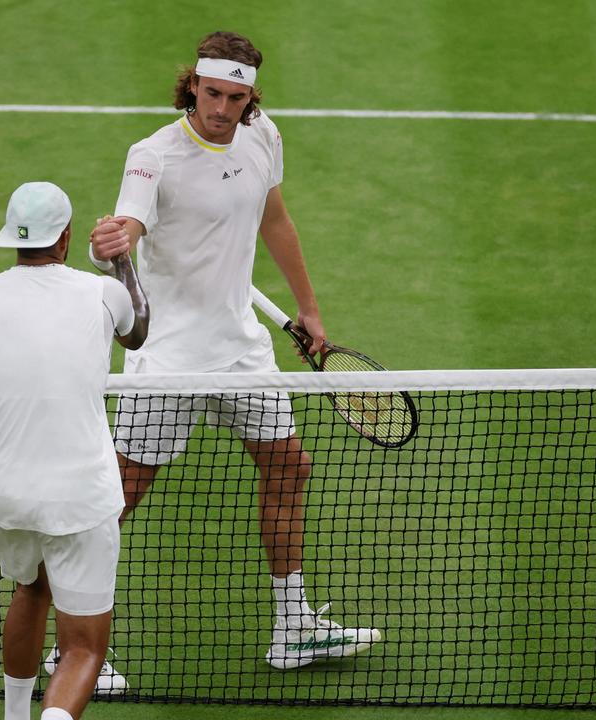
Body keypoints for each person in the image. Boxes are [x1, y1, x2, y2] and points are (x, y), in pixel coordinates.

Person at [53, 30, 382, 686]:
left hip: (242, 350)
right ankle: (65, 645)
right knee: (116, 497)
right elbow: (127, 230)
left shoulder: (263, 137)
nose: (222, 109)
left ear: (250, 94)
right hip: (168, 361)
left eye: (236, 97)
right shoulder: (153, 157)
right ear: (192, 87)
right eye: (211, 94)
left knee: (289, 467)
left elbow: (275, 220)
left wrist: (309, 309)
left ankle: (293, 628)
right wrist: (110, 241)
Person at [0, 181, 149, 720]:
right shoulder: (103, 294)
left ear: (12, 237)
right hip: (81, 499)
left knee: (31, 588)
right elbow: (139, 333)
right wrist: (122, 262)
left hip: (8, 497)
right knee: (84, 648)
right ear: (65, 236)